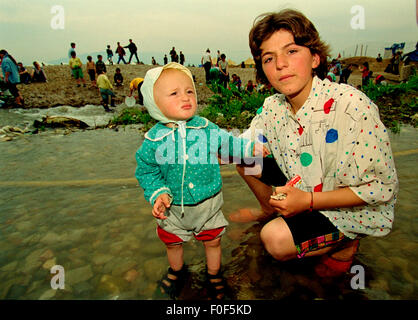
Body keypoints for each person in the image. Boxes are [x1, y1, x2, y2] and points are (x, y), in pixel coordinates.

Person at [231, 9, 398, 278]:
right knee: (245, 159)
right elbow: (250, 139)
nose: (280, 64)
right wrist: (222, 146)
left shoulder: (351, 106)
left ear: (315, 58)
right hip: (303, 189)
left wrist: (307, 201)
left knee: (274, 239)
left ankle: (345, 243)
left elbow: (381, 189)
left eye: (292, 51)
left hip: (347, 207)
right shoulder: (273, 107)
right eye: (268, 58)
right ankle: (270, 210)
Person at [135, 62, 268, 299]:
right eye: (174, 93)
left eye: (189, 91)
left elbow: (230, 144)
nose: (185, 97)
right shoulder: (154, 140)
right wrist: (158, 193)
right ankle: (177, 270)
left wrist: (249, 147)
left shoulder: (207, 128)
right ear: (154, 104)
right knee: (173, 242)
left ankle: (214, 273)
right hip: (173, 207)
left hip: (209, 202)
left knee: (213, 241)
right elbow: (147, 171)